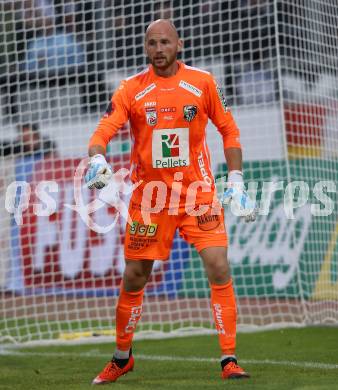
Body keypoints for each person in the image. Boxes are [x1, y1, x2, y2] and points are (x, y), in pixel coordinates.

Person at [85, 19, 256, 384]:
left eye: (164, 42)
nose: (158, 49)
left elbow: (229, 129)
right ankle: (121, 357)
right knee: (135, 276)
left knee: (218, 266)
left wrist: (237, 178)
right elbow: (102, 132)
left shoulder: (203, 82)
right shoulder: (131, 89)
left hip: (198, 195)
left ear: (178, 45)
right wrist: (97, 159)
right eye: (151, 43)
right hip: (151, 200)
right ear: (146, 49)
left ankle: (229, 359)